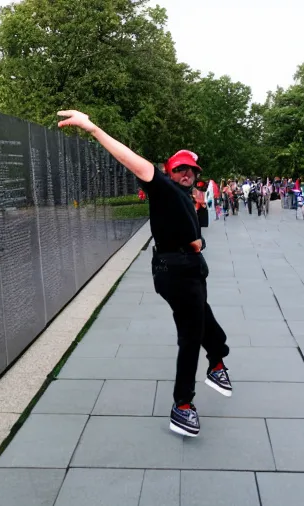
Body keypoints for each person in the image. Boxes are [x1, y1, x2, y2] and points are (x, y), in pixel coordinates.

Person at [57, 110, 231, 437]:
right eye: (180, 168)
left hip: (188, 269)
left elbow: (189, 233)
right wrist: (92, 128)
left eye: (191, 170)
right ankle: (182, 405)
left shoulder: (185, 196)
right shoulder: (162, 187)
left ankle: (218, 360)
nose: (186, 173)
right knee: (192, 334)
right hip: (176, 272)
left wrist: (196, 243)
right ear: (168, 170)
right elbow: (133, 161)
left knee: (204, 319)